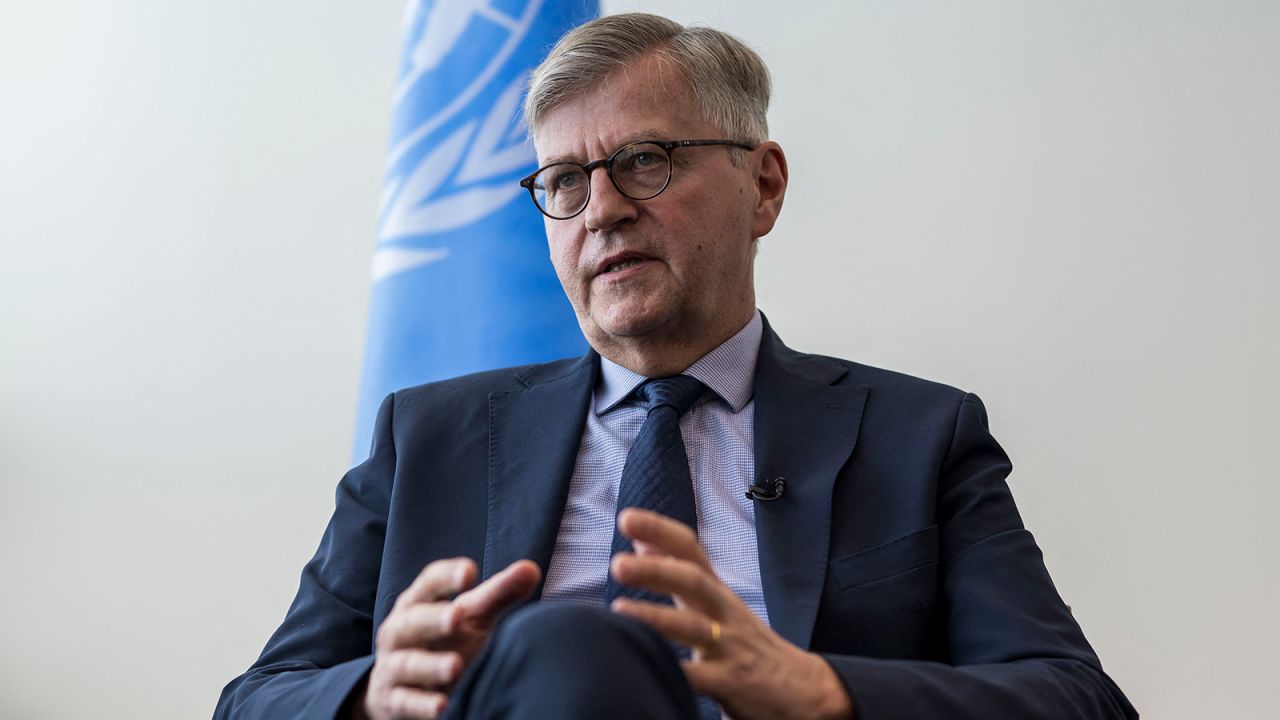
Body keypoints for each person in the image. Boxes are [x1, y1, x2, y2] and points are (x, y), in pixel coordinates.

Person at [216, 13, 1136, 720]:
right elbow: (254, 698)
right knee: (570, 650)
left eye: (644, 161)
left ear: (763, 185)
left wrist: (818, 689)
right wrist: (377, 691)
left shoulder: (917, 436)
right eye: (565, 183)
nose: (601, 211)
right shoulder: (429, 438)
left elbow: (1076, 698)